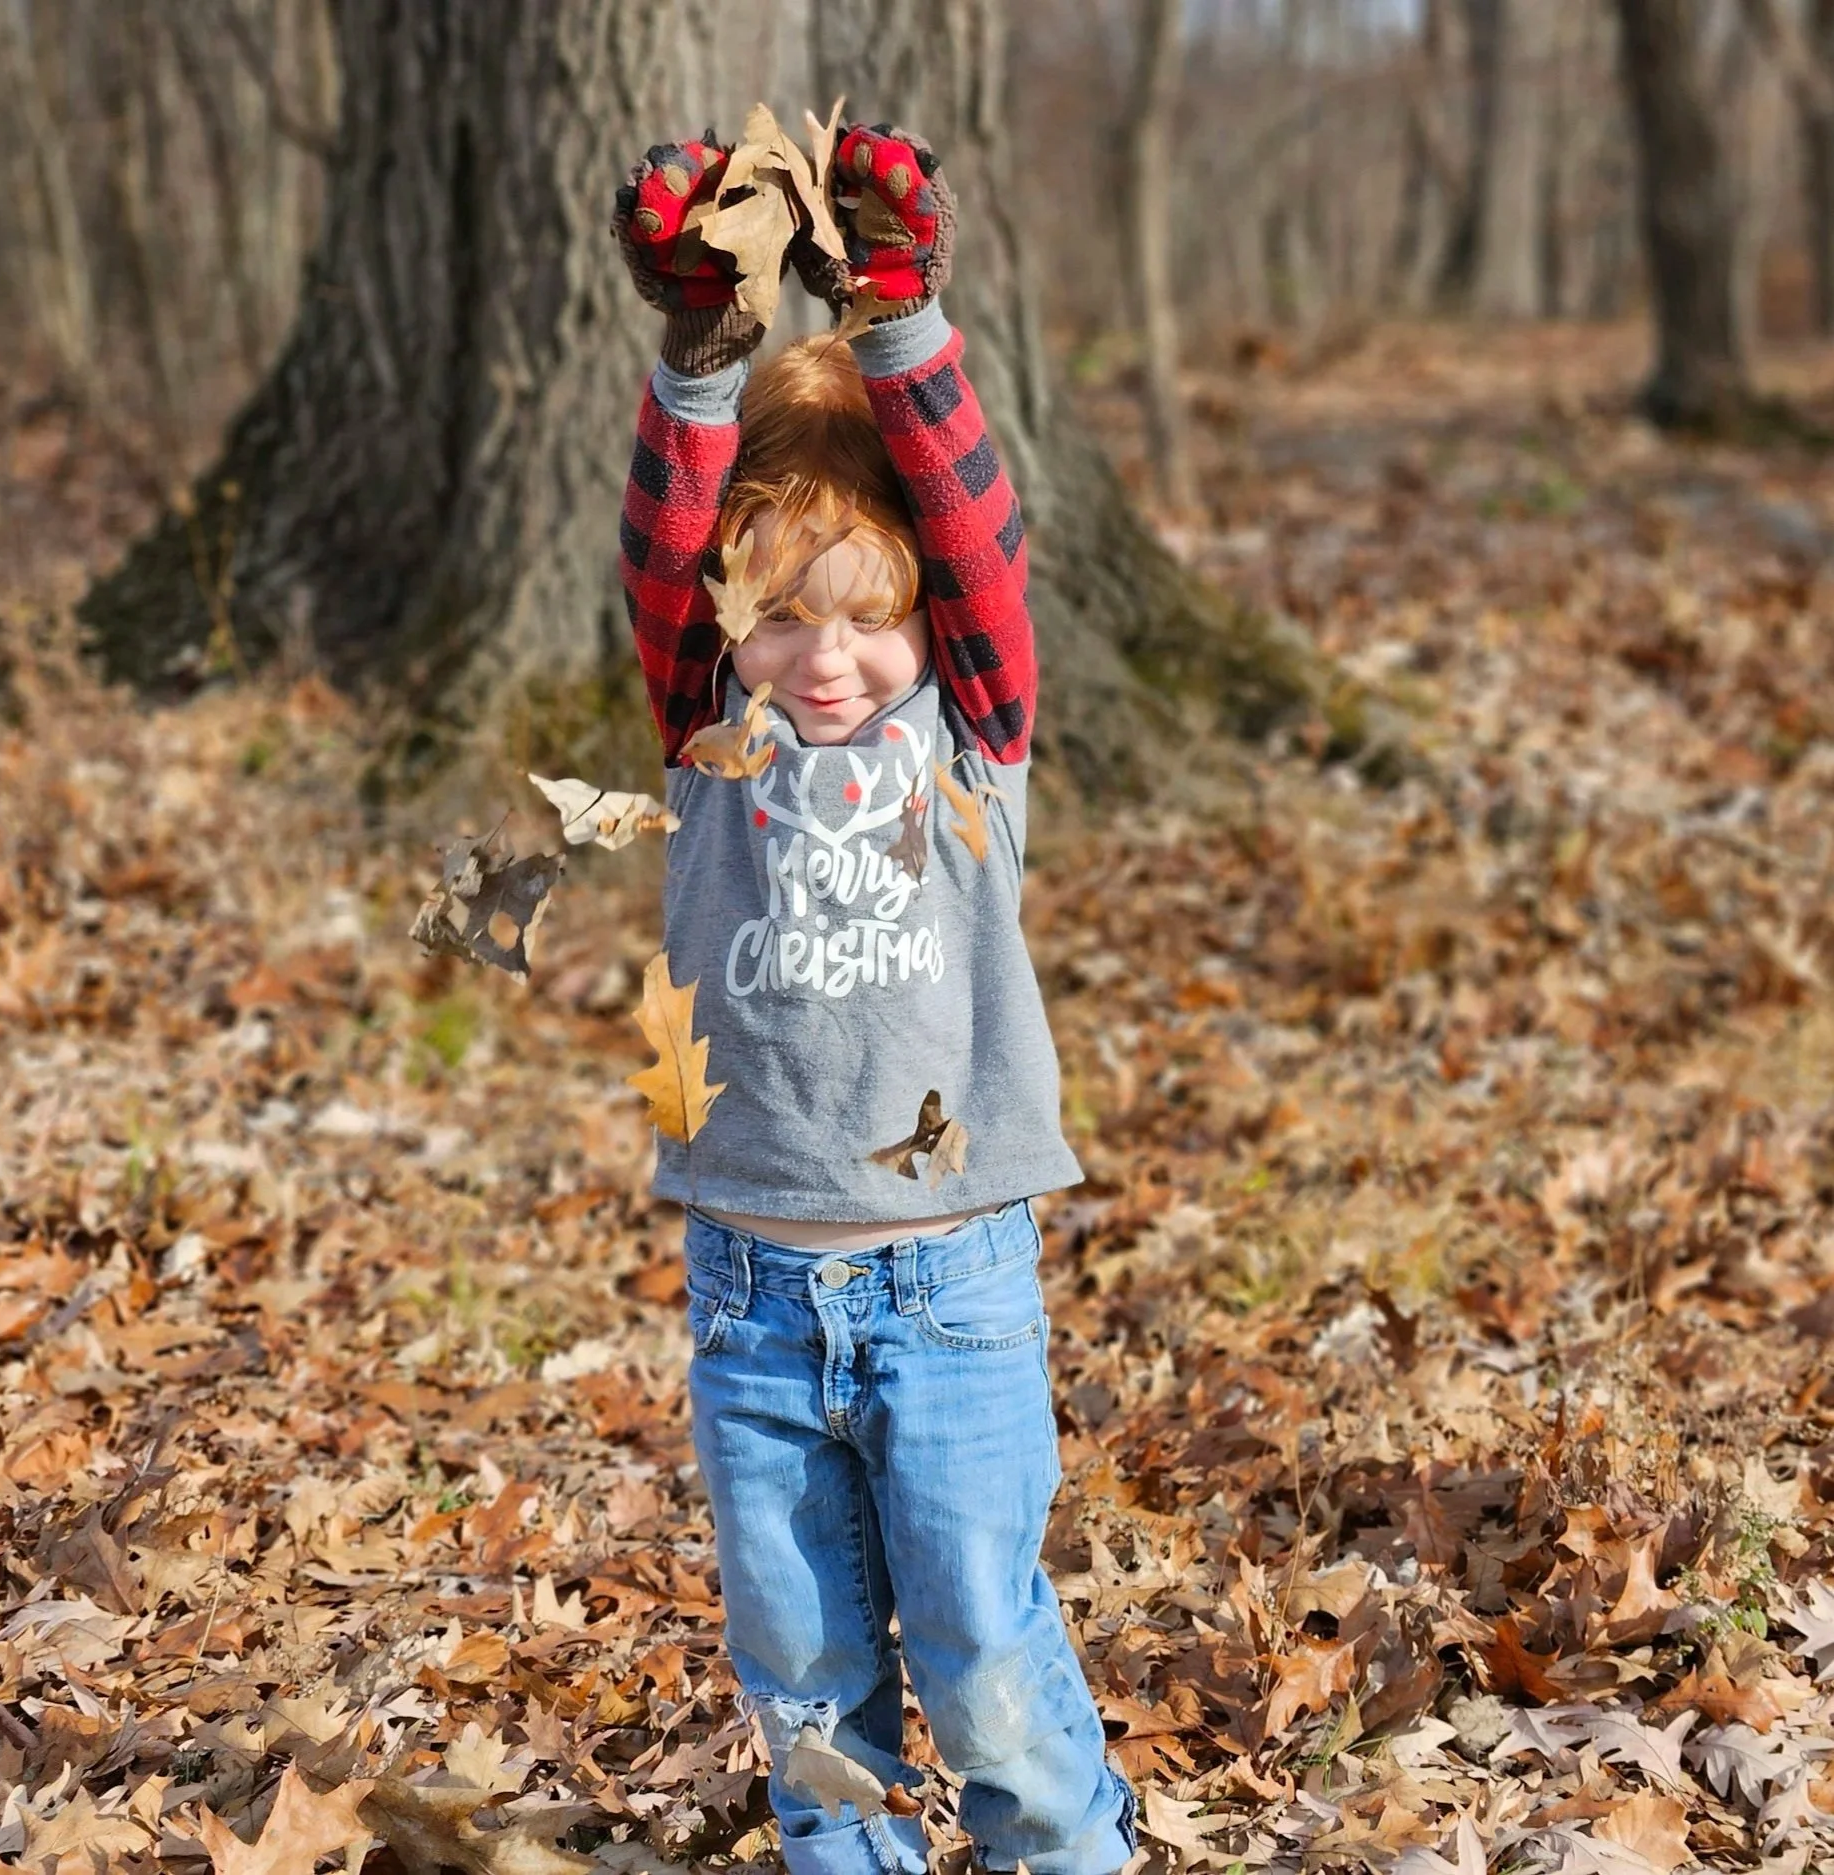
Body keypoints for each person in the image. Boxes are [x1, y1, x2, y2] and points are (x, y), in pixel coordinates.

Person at [611, 121, 1138, 1875]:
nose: (820, 658)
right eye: (779, 616)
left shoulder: (970, 736)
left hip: (954, 1276)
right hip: (750, 1284)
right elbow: (667, 550)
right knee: (806, 1683)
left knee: (985, 1648)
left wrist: (896, 316)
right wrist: (705, 351)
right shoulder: (711, 733)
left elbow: (979, 555)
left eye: (861, 615)